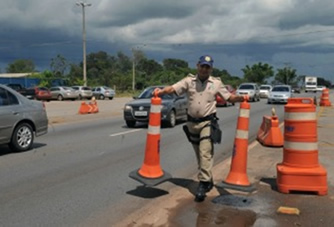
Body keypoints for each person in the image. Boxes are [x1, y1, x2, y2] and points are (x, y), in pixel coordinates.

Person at [154, 55, 248, 202]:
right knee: (200, 154)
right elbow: (173, 88)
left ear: (211, 68)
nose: (204, 69)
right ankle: (208, 179)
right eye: (202, 66)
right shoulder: (188, 81)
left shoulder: (216, 83)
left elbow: (229, 97)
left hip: (207, 122)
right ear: (198, 66)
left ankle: (203, 184)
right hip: (192, 123)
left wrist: (241, 98)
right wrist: (161, 91)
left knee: (205, 151)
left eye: (207, 67)